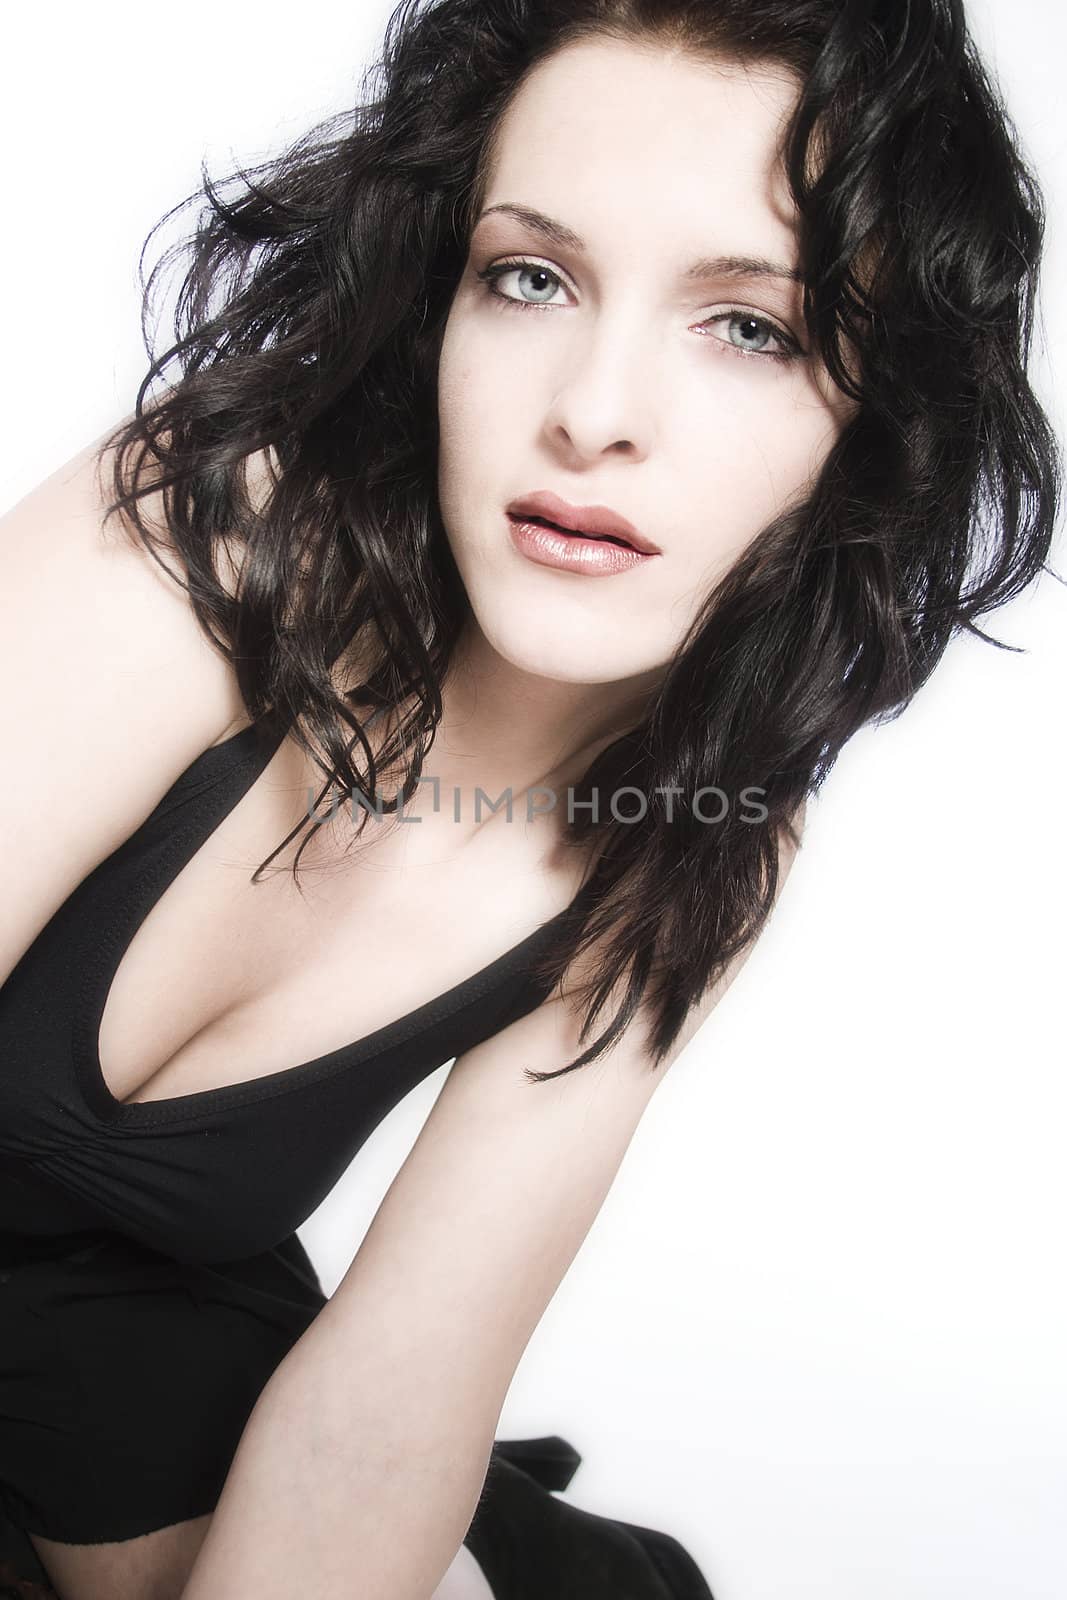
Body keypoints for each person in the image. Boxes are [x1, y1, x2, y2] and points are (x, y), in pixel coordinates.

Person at [0, 0, 1060, 1596]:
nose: (592, 410)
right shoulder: (214, 529)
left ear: (875, 423)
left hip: (131, 1401)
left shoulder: (695, 848)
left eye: (751, 326)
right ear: (436, 305)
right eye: (530, 277)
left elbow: (387, 1400)